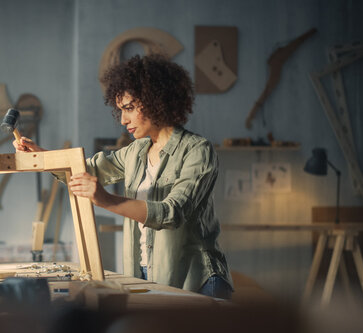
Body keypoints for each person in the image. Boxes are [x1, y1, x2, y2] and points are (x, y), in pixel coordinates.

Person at [14, 54, 233, 299]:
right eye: (120, 110)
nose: (122, 119)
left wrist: (106, 200)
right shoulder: (136, 150)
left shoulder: (197, 150)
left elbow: (173, 213)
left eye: (129, 108)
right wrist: (42, 156)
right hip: (147, 273)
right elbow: (85, 170)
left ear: (156, 101)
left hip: (196, 279)